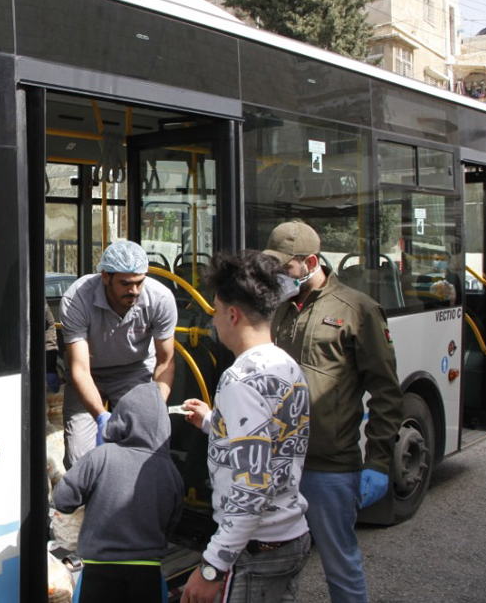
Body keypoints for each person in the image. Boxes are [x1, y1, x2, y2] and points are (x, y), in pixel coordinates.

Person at [263, 220, 402, 603]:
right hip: (277, 462)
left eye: (284, 267)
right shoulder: (280, 308)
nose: (277, 274)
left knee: (340, 564)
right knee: (271, 563)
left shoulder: (358, 309)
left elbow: (387, 392)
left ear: (310, 261)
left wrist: (378, 462)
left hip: (329, 466)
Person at [179, 250, 311, 603]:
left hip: (257, 550)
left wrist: (212, 566)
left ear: (233, 314)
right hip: (289, 536)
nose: (214, 322)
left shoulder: (241, 380)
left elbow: (251, 489)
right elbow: (272, 441)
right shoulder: (286, 365)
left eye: (216, 312)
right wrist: (211, 422)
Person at [53, 382, 184, 603]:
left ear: (121, 418)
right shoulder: (171, 471)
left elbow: (62, 499)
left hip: (99, 572)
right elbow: (172, 522)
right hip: (149, 573)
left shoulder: (101, 456)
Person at [59, 240, 177, 467]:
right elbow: (80, 370)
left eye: (139, 282)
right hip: (88, 373)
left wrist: (152, 408)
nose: (133, 291)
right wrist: (102, 417)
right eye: (125, 284)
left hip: (134, 370)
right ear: (105, 277)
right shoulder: (77, 298)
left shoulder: (160, 299)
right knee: (78, 457)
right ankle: (87, 500)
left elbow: (166, 362)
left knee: (144, 448)